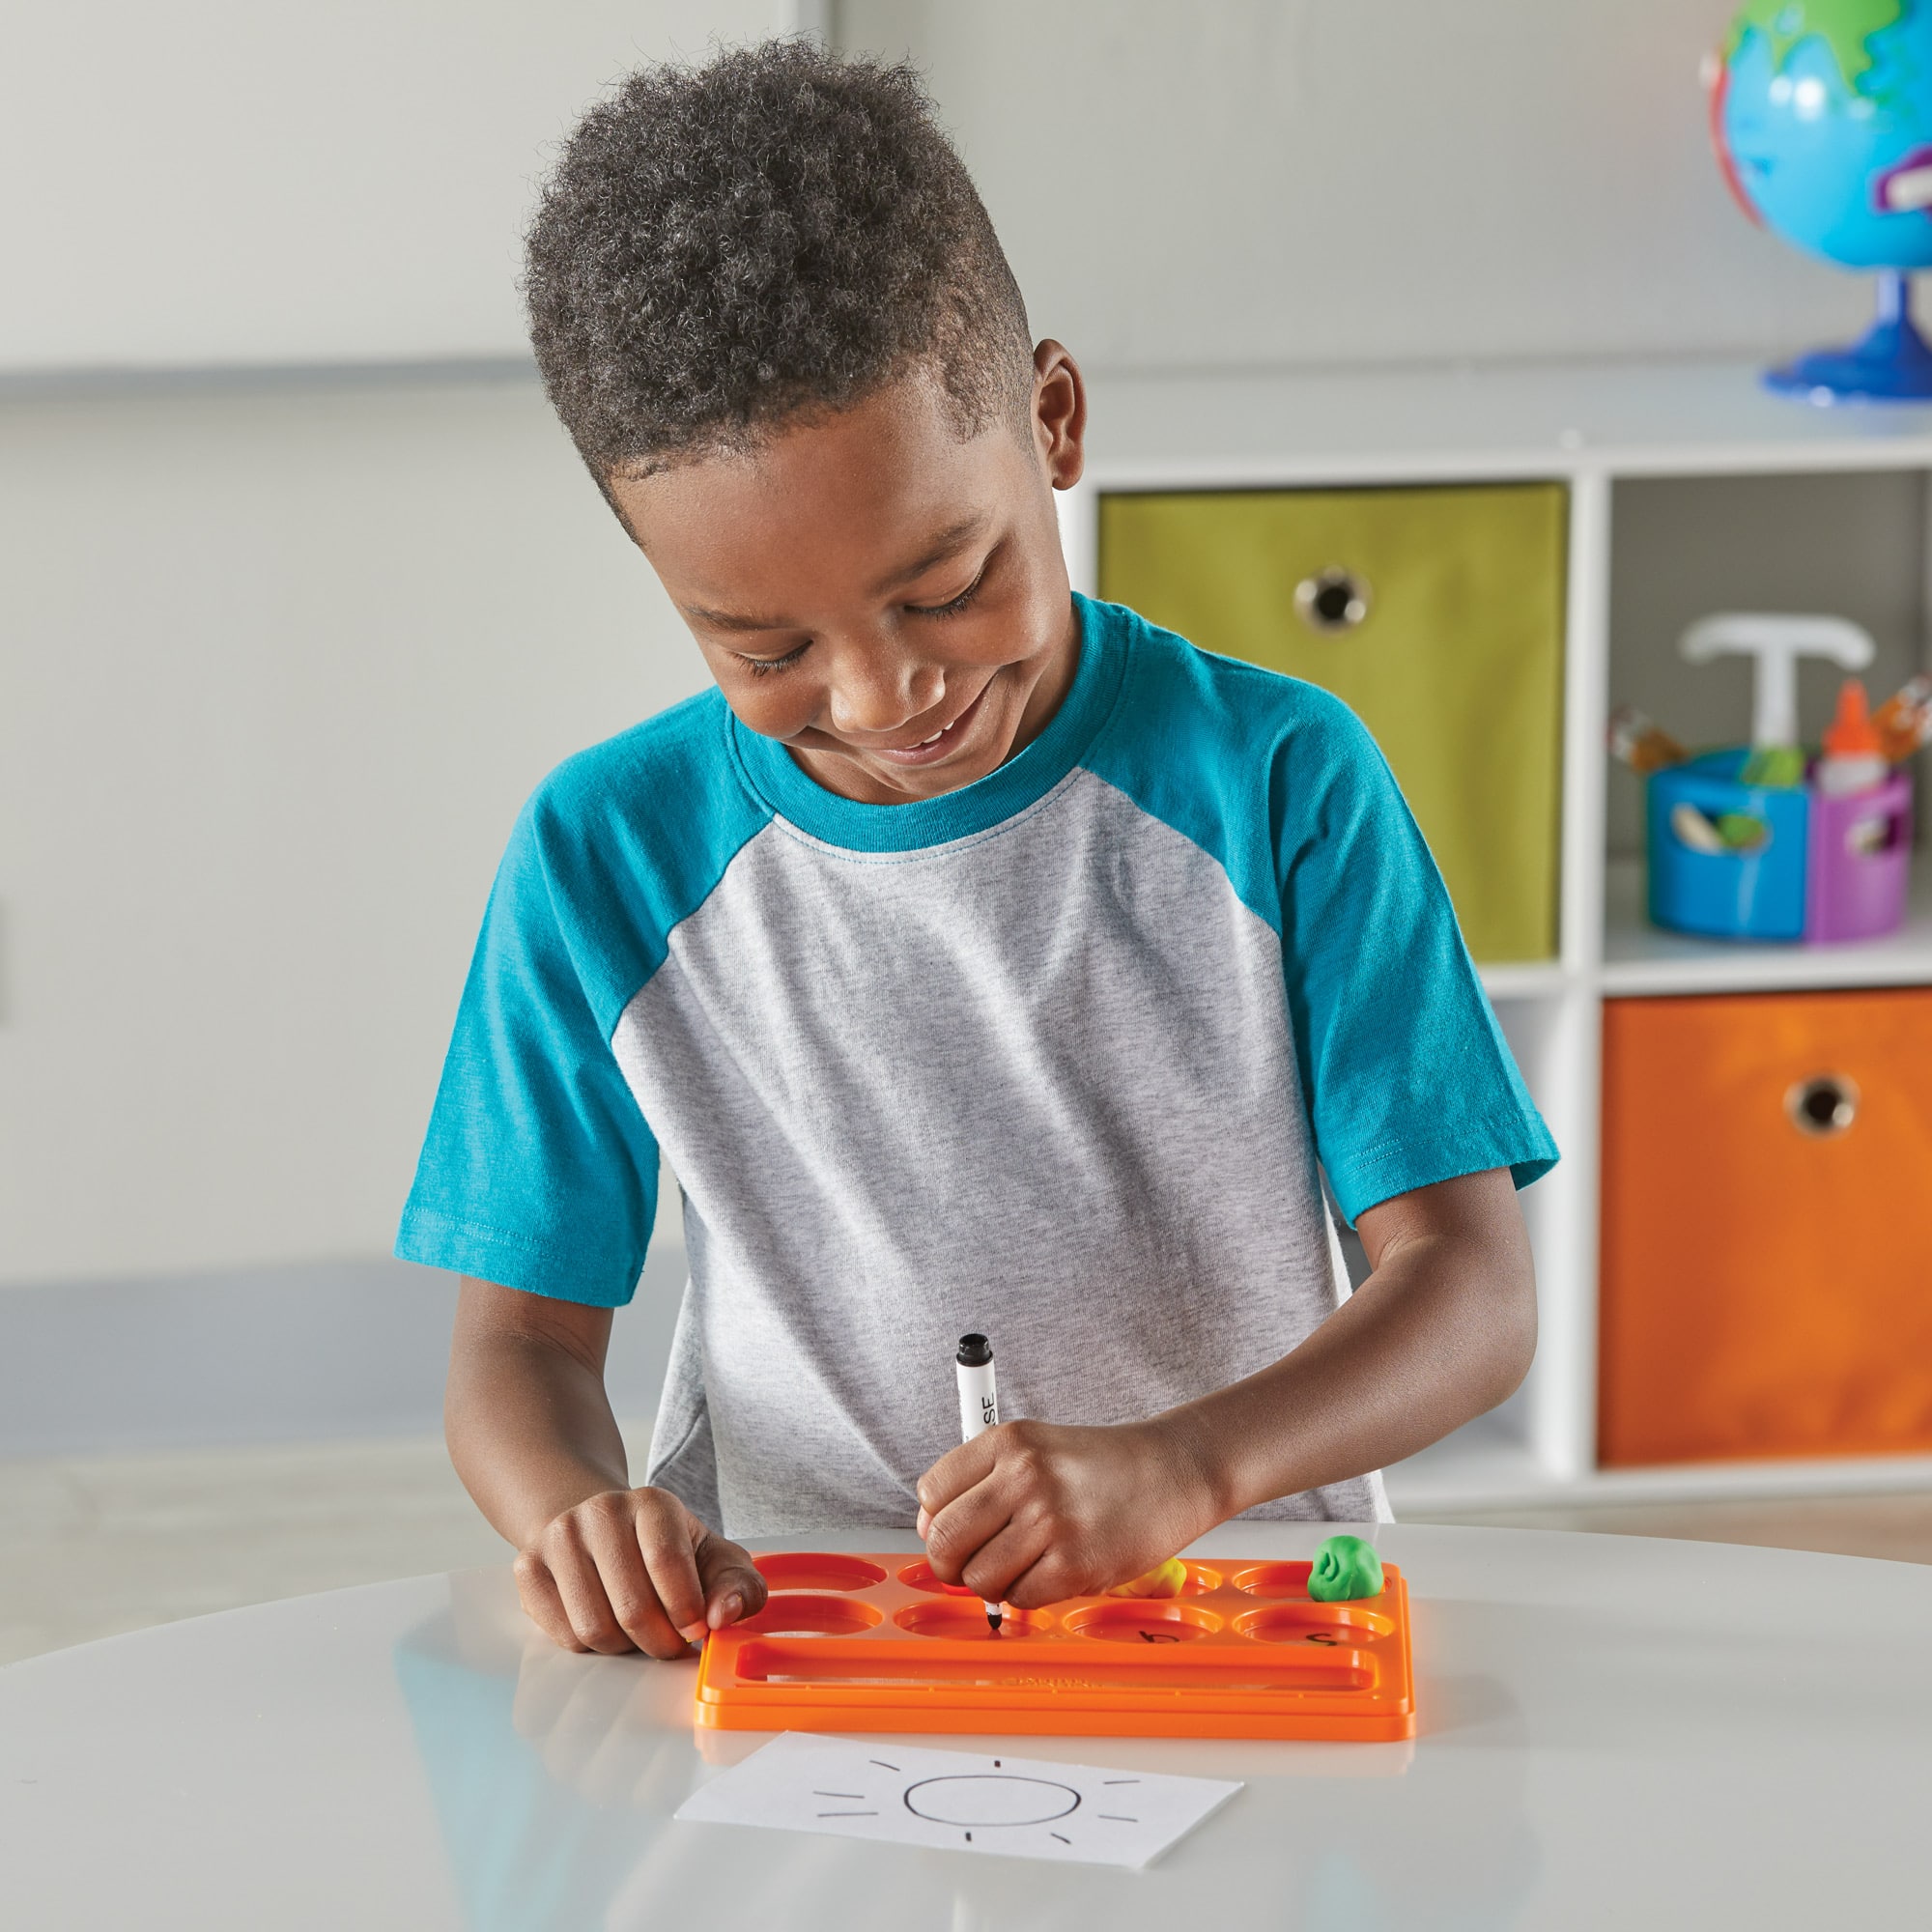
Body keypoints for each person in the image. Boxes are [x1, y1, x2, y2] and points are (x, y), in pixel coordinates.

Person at [399, 41, 1556, 1658]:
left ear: (1054, 421)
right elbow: (517, 1351)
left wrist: (1189, 1465)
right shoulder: (605, 853)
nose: (887, 699)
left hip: (1234, 1613)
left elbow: (1471, 1293)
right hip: (801, 1631)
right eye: (763, 649)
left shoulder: (1283, 783)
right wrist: (577, 1513)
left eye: (944, 588)